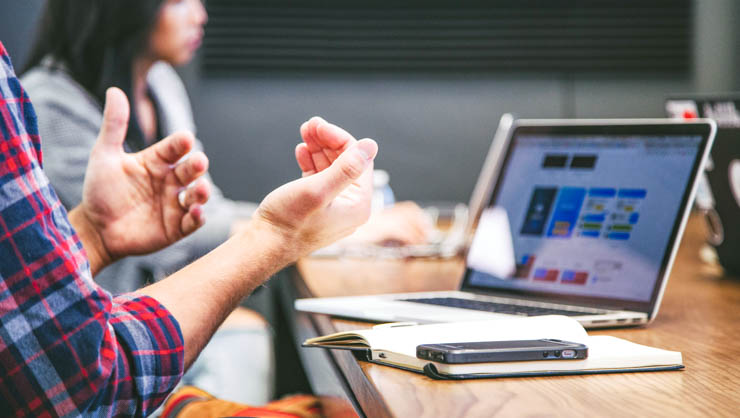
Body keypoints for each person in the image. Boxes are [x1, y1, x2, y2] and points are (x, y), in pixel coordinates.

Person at [0, 40, 378, 416]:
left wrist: (93, 235)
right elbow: (85, 384)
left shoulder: (162, 82)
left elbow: (21, 292)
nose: (199, 11)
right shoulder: (48, 100)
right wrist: (278, 234)